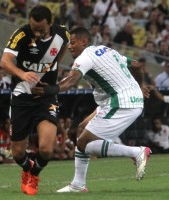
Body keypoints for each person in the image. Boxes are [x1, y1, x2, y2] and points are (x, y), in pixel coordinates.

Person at [31, 27, 151, 193]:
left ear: (84, 42)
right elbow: (137, 65)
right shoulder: (105, 49)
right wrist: (140, 85)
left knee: (83, 143)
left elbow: (71, 80)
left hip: (121, 102)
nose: (70, 47)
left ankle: (136, 152)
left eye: (72, 43)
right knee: (81, 129)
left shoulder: (85, 57)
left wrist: (48, 90)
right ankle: (78, 185)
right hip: (118, 100)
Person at [0, 5, 70, 195]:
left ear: (51, 23)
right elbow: (4, 61)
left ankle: (35, 174)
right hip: (22, 96)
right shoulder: (22, 34)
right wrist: (22, 74)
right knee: (17, 153)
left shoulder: (62, 34)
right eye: (33, 28)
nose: (36, 33)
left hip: (46, 97)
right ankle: (26, 167)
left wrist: (53, 68)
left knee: (47, 149)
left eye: (41, 29)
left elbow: (63, 48)